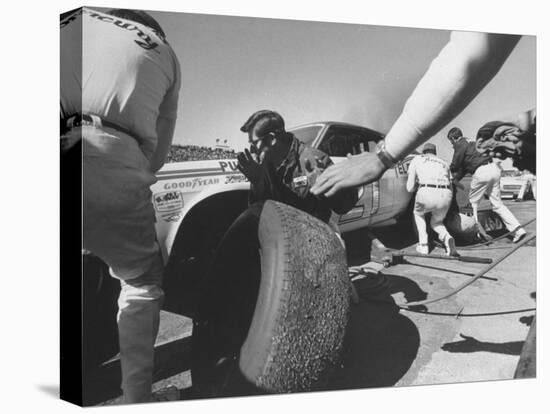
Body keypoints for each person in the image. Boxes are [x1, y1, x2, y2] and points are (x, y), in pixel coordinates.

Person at [61, 8, 181, 403]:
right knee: (141, 282)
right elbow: (158, 157)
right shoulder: (164, 51)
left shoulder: (66, 19)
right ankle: (138, 399)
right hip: (110, 150)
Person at [311, 32, 525, 197]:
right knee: (491, 202)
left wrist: (383, 156)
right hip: (487, 173)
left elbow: (470, 55)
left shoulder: (453, 149)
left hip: (463, 179)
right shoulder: (454, 151)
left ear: (452, 138)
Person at [236, 110, 358, 230]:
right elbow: (259, 210)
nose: (251, 150)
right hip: (284, 232)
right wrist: (258, 182)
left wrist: (325, 187)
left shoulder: (313, 159)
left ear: (271, 139)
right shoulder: (263, 164)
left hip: (315, 232)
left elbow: (344, 207)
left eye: (254, 143)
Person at [447, 127, 526, 243]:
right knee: (498, 204)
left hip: (481, 172)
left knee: (472, 204)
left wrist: (448, 173)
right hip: (494, 168)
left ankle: (477, 234)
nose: (452, 144)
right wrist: (457, 177)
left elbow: (455, 165)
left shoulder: (460, 144)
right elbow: (465, 167)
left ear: (454, 138)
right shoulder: (472, 142)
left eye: (451, 141)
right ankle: (518, 230)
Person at [407, 143, 458, 255]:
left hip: (426, 191)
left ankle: (423, 245)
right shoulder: (443, 162)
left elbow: (409, 188)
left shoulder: (417, 159)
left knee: (418, 214)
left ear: (424, 152)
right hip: (446, 194)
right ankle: (446, 237)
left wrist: (417, 186)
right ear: (435, 153)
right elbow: (451, 185)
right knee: (436, 222)